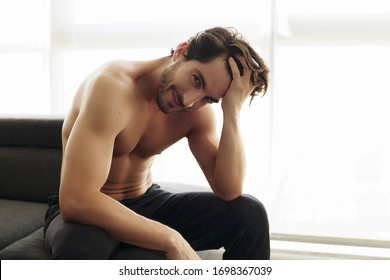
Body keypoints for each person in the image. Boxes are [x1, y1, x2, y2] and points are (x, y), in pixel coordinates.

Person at [44, 27, 270, 260]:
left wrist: (231, 111)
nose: (189, 101)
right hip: (93, 210)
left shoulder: (196, 110)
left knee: (250, 215)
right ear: (182, 51)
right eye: (196, 80)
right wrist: (171, 239)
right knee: (80, 250)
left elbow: (229, 190)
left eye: (209, 99)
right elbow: (76, 200)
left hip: (147, 200)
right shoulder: (113, 86)